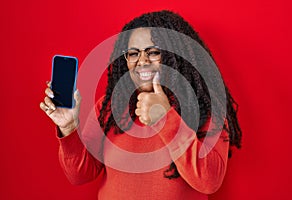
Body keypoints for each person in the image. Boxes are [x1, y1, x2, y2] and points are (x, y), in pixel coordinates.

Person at [40, 10, 242, 200]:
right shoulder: (110, 107)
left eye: (153, 52)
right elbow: (80, 175)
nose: (142, 61)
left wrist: (165, 117)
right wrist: (68, 128)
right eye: (133, 53)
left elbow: (209, 181)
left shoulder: (203, 108)